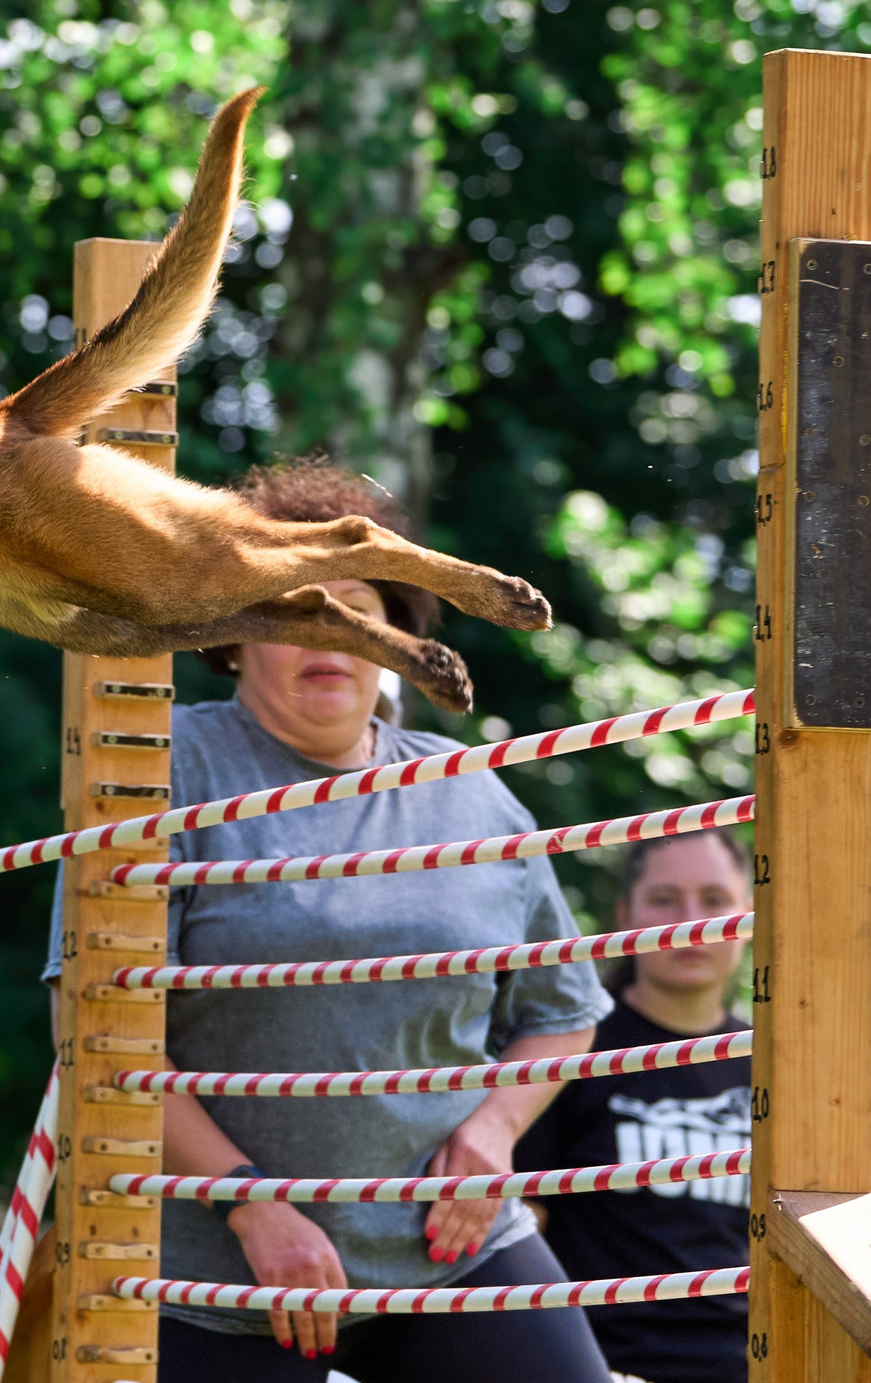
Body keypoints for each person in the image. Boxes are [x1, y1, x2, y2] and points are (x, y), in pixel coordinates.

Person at [43, 461, 613, 1380]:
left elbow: (563, 1010)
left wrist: (493, 1131)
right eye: (295, 605)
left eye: (356, 607)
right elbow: (99, 1031)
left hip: (448, 1248)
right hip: (217, 1274)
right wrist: (246, 1202)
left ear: (400, 639)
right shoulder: (161, 765)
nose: (331, 634)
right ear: (234, 636)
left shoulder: (467, 789)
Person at [516, 829, 754, 1383]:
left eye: (715, 900)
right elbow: (517, 1234)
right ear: (626, 915)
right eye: (665, 900)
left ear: (748, 913)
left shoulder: (775, 1065)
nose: (692, 922)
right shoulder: (571, 1051)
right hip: (598, 1367)